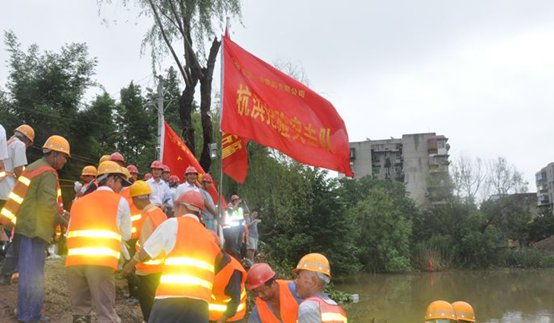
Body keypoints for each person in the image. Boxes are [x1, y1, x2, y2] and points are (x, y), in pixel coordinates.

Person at [122, 190, 229, 323]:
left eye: (176, 207)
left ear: (182, 206)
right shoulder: (209, 236)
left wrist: (129, 266)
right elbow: (221, 263)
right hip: (200, 303)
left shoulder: (172, 224)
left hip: (171, 297)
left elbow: (146, 252)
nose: (174, 211)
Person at [1, 135, 70, 323]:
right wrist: (65, 223)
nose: (65, 161)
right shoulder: (47, 172)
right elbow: (48, 206)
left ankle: (24, 312)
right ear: (54, 154)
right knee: (34, 276)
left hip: (24, 227)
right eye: (64, 157)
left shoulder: (32, 168)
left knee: (27, 273)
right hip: (35, 230)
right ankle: (30, 316)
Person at [66, 161, 132, 323]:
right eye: (120, 182)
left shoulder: (79, 202)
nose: (121, 187)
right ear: (110, 179)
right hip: (101, 262)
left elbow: (68, 234)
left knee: (80, 312)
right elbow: (127, 234)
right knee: (105, 311)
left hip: (75, 262)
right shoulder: (120, 202)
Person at [126, 180, 167, 321]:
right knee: (159, 305)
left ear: (137, 198)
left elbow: (145, 248)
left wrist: (129, 265)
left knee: (148, 306)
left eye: (133, 199)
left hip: (147, 271)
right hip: (161, 269)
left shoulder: (147, 217)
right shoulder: (159, 213)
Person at [0, 125, 34, 285]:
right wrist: (30, 186)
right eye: (30, 144)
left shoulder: (6, 142)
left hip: (1, 188)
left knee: (3, 228)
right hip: (8, 192)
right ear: (27, 140)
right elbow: (19, 170)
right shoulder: (19, 145)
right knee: (10, 229)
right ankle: (7, 268)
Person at [294, 253, 347, 323]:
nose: (295, 281)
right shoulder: (336, 308)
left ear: (312, 281)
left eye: (299, 277)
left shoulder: (308, 308)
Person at [209, 254, 247, 323]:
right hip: (211, 315)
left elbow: (234, 302)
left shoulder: (233, 271)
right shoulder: (206, 264)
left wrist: (220, 321)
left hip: (232, 318)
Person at [223, 195, 249, 259]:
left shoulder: (240, 209)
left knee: (239, 245)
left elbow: (248, 212)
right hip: (234, 229)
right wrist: (237, 204)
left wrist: (245, 205)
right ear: (233, 201)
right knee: (233, 245)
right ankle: (232, 258)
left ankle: (237, 258)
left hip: (240, 229)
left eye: (238, 200)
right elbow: (230, 213)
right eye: (236, 200)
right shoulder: (229, 209)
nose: (238, 201)